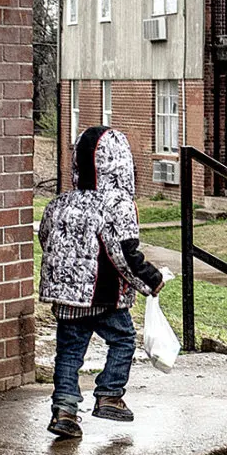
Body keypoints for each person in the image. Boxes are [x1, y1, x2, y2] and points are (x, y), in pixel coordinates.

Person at [37, 126, 165, 439]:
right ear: (121, 165)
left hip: (67, 297)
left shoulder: (59, 203)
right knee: (122, 340)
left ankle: (65, 411)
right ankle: (109, 395)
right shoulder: (118, 204)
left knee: (68, 353)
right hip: (104, 296)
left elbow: (45, 239)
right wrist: (151, 280)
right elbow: (124, 253)